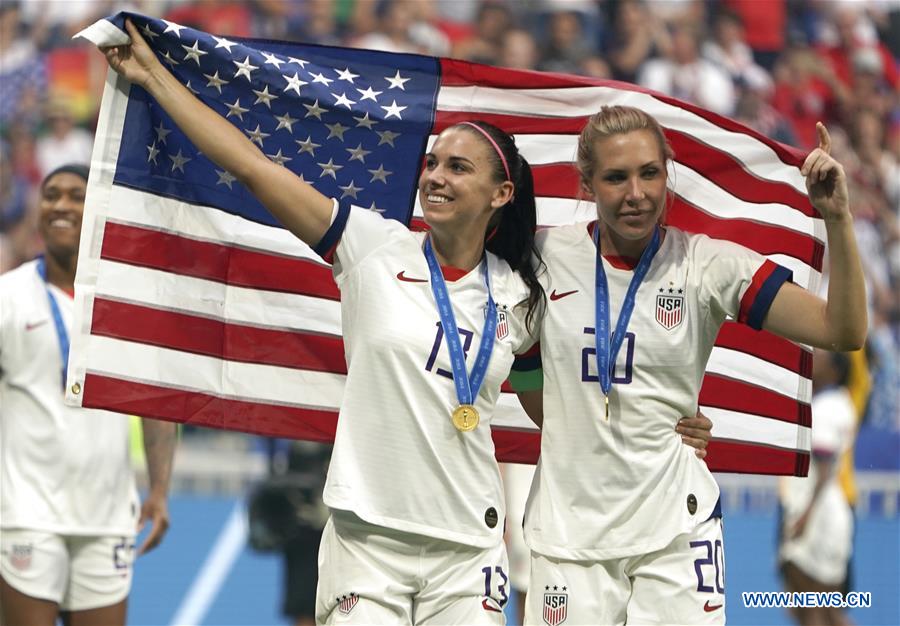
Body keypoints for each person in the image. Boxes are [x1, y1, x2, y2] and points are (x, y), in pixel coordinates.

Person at [98, 21, 713, 624]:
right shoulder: (369, 246)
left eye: (458, 167)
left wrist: (663, 425)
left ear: (501, 194)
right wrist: (155, 76)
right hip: (367, 542)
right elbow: (257, 170)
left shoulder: (522, 293)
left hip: (470, 551)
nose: (437, 176)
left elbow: (563, 408)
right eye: (434, 163)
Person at [512, 105, 867, 625]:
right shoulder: (542, 257)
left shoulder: (708, 264)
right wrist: (589, 425)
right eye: (616, 177)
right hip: (568, 539)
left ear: (668, 171)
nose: (636, 193)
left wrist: (836, 216)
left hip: (678, 533)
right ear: (587, 184)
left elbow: (843, 330)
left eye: (649, 173)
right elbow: (521, 366)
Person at [0, 164, 177, 626]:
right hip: (25, 514)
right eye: (51, 195)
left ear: (97, 205)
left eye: (76, 195)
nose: (61, 205)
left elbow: (154, 401)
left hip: (108, 517)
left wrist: (158, 490)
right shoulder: (8, 297)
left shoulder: (127, 301)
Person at [779, 350, 857, 626]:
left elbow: (823, 471)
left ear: (835, 370)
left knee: (814, 607)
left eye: (822, 357)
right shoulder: (839, 403)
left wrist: (805, 517)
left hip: (819, 516)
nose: (814, 359)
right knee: (818, 609)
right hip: (827, 513)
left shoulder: (826, 408)